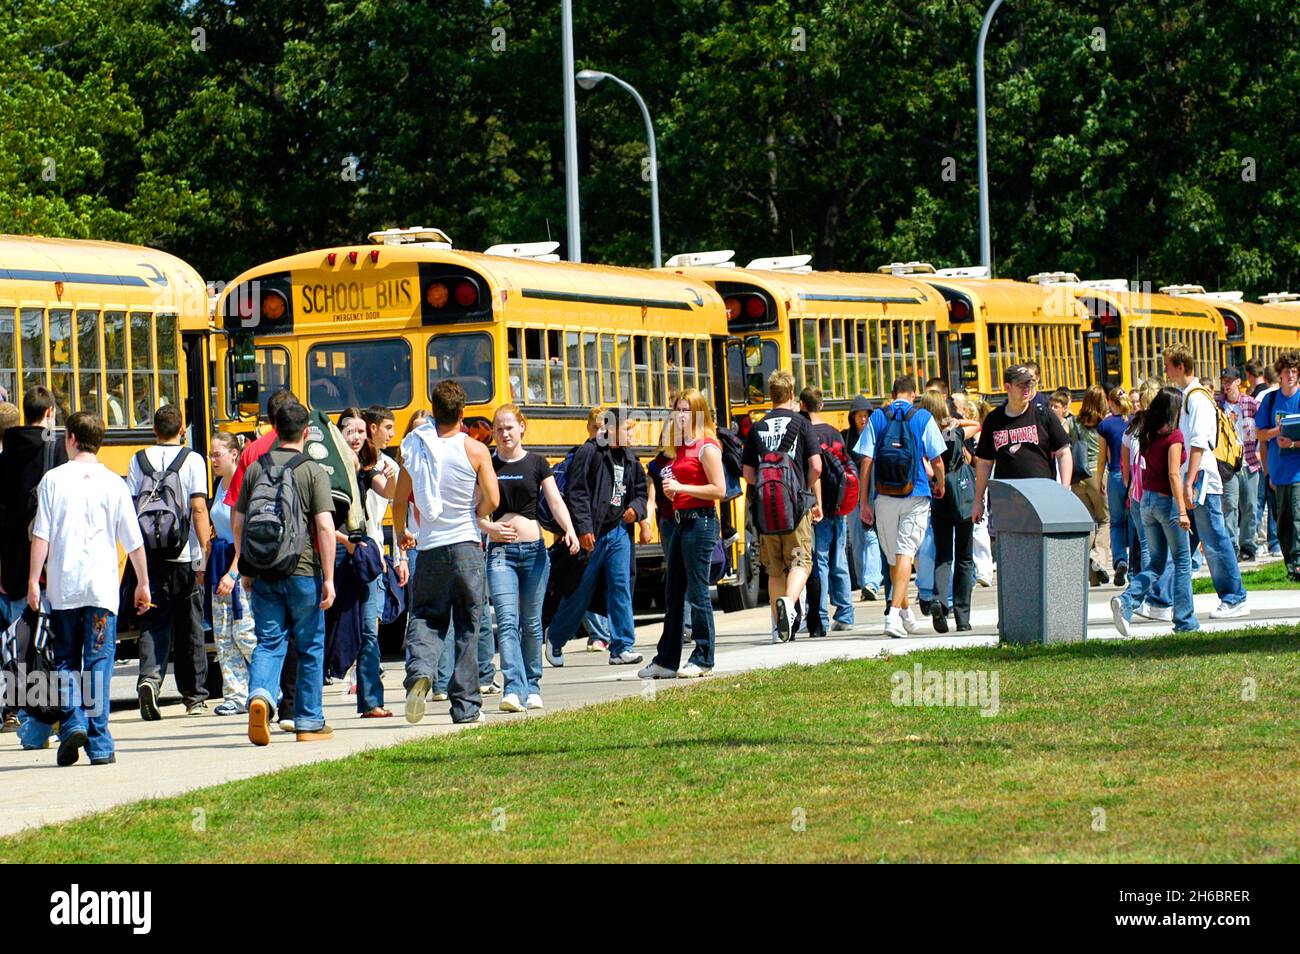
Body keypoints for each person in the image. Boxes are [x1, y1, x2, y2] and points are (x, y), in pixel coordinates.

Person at [28, 411, 151, 765]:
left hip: (63, 589)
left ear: (69, 438)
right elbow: (133, 540)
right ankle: (99, 744)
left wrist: (35, 581)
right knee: (98, 662)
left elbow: (41, 536)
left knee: (64, 659)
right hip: (101, 590)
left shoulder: (52, 481)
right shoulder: (114, 483)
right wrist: (142, 582)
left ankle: (73, 722)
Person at [226, 401, 339, 744]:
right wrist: (330, 578)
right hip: (302, 571)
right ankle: (308, 722)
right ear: (306, 432)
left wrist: (244, 564)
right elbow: (324, 526)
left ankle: (260, 694)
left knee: (269, 642)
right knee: (309, 645)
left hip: (263, 572)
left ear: (274, 429)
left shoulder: (256, 469)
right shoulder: (312, 471)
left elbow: (240, 520)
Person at [394, 380, 499, 724]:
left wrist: (401, 532)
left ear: (433, 410)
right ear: (463, 413)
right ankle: (466, 707)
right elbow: (494, 500)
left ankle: (421, 673)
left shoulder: (417, 447)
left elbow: (400, 499)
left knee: (425, 615)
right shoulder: (475, 450)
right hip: (467, 545)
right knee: (469, 624)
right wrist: (476, 513)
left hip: (430, 548)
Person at [483, 404, 579, 711]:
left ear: (522, 427)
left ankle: (532, 685)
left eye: (509, 427)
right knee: (508, 622)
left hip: (534, 554)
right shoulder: (487, 463)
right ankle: (513, 689)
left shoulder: (537, 463)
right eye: (499, 428)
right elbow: (476, 510)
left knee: (532, 623)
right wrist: (489, 527)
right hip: (500, 555)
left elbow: (554, 500)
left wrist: (570, 529)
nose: (504, 433)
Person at [544, 406, 647, 666]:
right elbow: (576, 492)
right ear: (611, 430)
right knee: (581, 591)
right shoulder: (589, 452)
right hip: (593, 533)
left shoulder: (630, 458)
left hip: (620, 532)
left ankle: (622, 646)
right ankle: (555, 637)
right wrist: (584, 528)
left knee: (620, 586)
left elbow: (641, 491)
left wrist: (636, 508)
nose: (632, 435)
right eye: (628, 430)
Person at [128, 403, 212, 719]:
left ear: (153, 430)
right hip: (186, 554)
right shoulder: (192, 459)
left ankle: (150, 680)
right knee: (190, 625)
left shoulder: (138, 460)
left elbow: (131, 509)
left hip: (151, 556)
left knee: (153, 622)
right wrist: (205, 551)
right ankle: (194, 697)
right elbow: (198, 507)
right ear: (182, 431)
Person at [640, 389, 727, 679]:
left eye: (687, 410)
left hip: (700, 522)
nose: (680, 415)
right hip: (678, 521)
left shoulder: (707, 446)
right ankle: (667, 659)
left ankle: (704, 656)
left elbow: (719, 489)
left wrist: (682, 489)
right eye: (677, 409)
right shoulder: (679, 446)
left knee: (698, 591)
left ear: (699, 413)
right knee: (673, 591)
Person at [0, 386, 69, 732]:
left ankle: (24, 717)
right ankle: (52, 717)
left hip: (12, 565)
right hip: (49, 566)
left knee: (19, 646)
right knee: (51, 645)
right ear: (50, 413)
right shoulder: (56, 450)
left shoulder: (5, 454)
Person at [856, 375, 946, 638]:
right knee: (906, 553)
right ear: (915, 394)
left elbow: (866, 461)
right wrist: (939, 484)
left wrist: (864, 501)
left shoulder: (877, 418)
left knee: (894, 556)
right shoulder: (922, 417)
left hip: (884, 495)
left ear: (892, 392)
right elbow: (938, 460)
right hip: (915, 493)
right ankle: (894, 614)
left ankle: (906, 612)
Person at [1163, 344, 1248, 619]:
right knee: (1185, 542)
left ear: (1179, 366)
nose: (1165, 369)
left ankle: (1235, 597)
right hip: (1196, 478)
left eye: (1168, 364)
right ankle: (1161, 598)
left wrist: (1188, 481)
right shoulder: (1189, 396)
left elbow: (1199, 443)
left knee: (1214, 539)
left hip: (1201, 480)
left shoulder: (1196, 398)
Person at [742, 370, 822, 643]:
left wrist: (765, 492)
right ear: (791, 394)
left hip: (766, 511)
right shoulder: (802, 424)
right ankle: (789, 603)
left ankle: (779, 630)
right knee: (801, 561)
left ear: (770, 395)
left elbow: (749, 474)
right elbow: (816, 466)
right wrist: (804, 490)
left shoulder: (757, 427)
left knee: (774, 569)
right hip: (796, 508)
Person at [1110, 387, 1199, 635]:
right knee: (1182, 561)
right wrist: (1182, 511)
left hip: (1145, 501)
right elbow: (1173, 474)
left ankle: (1126, 601)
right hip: (1166, 502)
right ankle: (1185, 621)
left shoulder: (1146, 431)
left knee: (1156, 562)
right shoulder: (1174, 436)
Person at [972, 364, 1072, 525]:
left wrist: (1065, 489)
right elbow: (984, 463)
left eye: (1029, 384)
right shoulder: (994, 419)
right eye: (1021, 385)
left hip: (1041, 498)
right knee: (1009, 547)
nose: (1026, 389)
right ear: (1007, 387)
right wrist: (978, 500)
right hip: (1007, 500)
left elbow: (1064, 452)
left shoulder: (1043, 414)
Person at [206, 432, 257, 715]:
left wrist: (234, 572)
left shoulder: (244, 484)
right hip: (219, 563)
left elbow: (245, 533)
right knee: (224, 635)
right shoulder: (219, 485)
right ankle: (236, 695)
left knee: (245, 632)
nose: (212, 460)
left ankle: (267, 687)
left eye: (217, 454)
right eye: (211, 455)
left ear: (234, 454)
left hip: (239, 565)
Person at [801, 387, 855, 634]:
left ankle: (820, 616)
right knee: (839, 558)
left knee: (820, 560)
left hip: (818, 504)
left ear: (802, 405)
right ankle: (845, 613)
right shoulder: (834, 433)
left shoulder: (805, 432)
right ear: (821, 405)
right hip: (839, 504)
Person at [923, 390, 977, 633]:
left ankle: (940, 601)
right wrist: (956, 421)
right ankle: (963, 617)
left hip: (939, 496)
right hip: (963, 496)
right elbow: (977, 424)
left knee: (943, 554)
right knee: (964, 557)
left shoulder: (925, 433)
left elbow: (930, 468)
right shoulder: (953, 431)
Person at [1121, 380, 1173, 623]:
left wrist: (1129, 488)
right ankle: (1157, 599)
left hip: (1137, 496)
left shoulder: (1132, 428)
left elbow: (1125, 467)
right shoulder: (1161, 430)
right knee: (1166, 554)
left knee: (1148, 550)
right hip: (1156, 494)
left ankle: (1142, 597)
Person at [1253, 350, 1300, 582]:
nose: (1290, 375)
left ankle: (1299, 564)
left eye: (1294, 371)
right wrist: (1278, 432)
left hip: (1298, 471)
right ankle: (1291, 564)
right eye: (1286, 372)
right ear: (1279, 375)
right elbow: (1260, 433)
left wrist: (1294, 442)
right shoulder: (1271, 400)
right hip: (1278, 471)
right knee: (1283, 521)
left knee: (1298, 517)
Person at [1216, 368, 1261, 563]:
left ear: (1238, 382)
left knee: (1250, 505)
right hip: (1228, 464)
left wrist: (1261, 448)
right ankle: (1231, 545)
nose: (1227, 384)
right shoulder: (1218, 405)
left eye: (1230, 381)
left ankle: (1248, 546)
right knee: (1230, 506)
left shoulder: (1251, 404)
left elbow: (1262, 427)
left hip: (1249, 460)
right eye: (1224, 380)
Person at [1070, 385, 1111, 586]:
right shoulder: (1105, 423)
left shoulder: (1074, 423)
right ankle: (1097, 557)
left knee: (1088, 523)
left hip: (1078, 477)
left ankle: (1091, 577)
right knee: (1105, 520)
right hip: (1098, 475)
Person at [843, 395, 882, 601]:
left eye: (866, 416)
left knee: (870, 536)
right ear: (853, 417)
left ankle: (871, 581)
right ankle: (862, 582)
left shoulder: (876, 435)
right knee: (856, 541)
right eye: (859, 416)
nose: (863, 420)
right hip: (852, 496)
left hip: (872, 493)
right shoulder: (846, 437)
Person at [1096, 387, 1133, 586]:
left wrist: (1099, 480)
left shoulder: (1105, 425)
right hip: (1135, 476)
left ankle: (1120, 560)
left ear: (1110, 402)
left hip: (1116, 475)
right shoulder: (1134, 421)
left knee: (1116, 522)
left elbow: (1102, 457)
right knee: (1135, 522)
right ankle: (1136, 565)